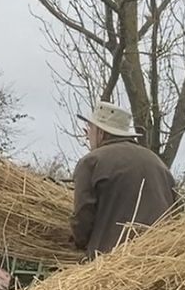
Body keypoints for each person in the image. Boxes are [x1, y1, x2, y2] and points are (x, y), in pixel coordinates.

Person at [71, 101, 177, 259]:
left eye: (90, 128)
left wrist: (77, 242)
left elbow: (83, 216)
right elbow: (175, 212)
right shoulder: (158, 164)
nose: (88, 135)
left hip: (110, 263)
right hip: (158, 260)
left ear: (101, 132)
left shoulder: (92, 162)